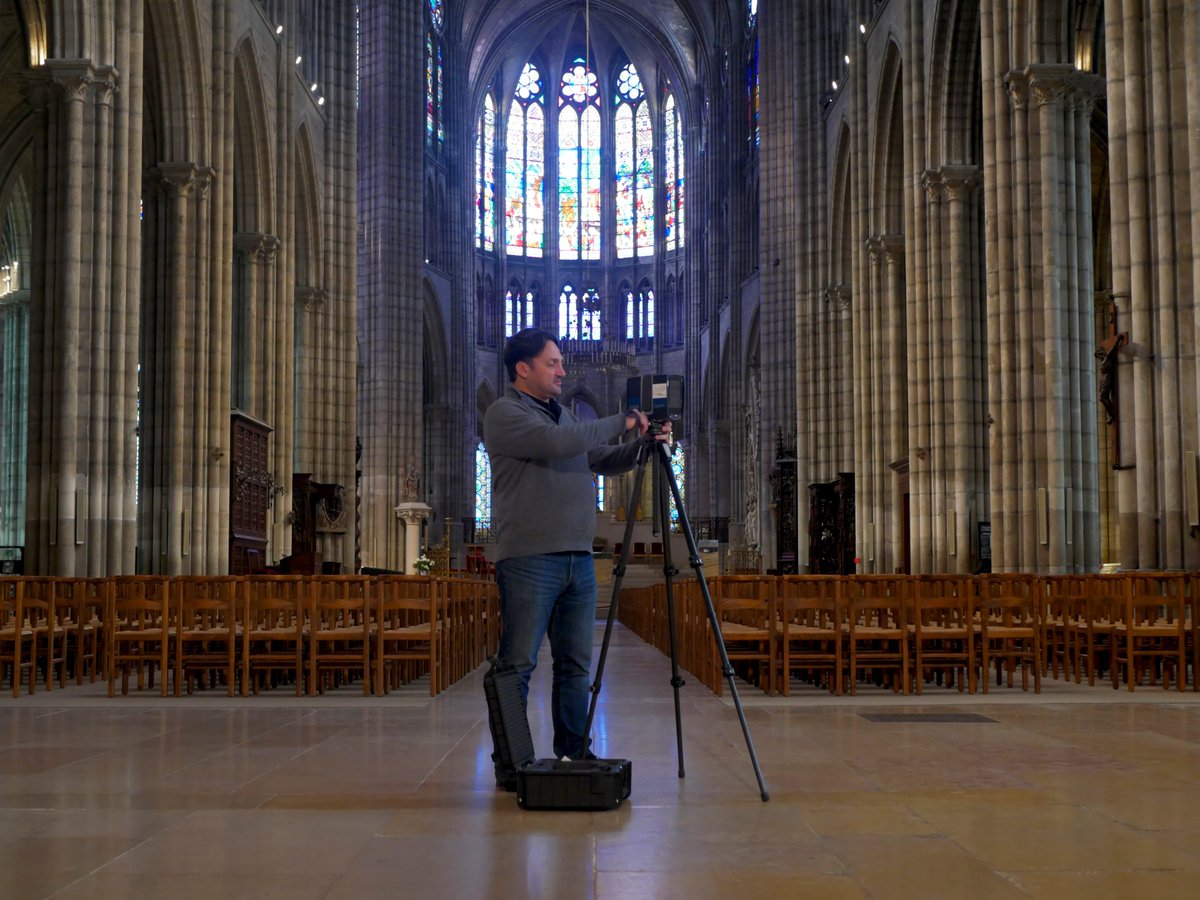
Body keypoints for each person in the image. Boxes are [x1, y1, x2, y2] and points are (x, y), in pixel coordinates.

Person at [484, 327, 669, 790]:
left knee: (574, 664)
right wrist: (623, 419)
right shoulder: (505, 412)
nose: (563, 370)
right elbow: (557, 445)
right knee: (518, 663)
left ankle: (572, 750)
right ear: (522, 368)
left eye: (562, 362)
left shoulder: (562, 414)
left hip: (577, 558)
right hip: (529, 557)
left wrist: (643, 445)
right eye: (553, 363)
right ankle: (512, 761)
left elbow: (601, 458)